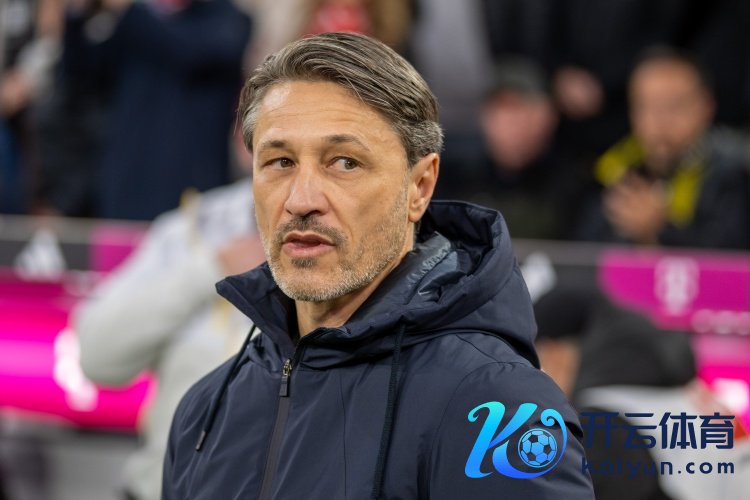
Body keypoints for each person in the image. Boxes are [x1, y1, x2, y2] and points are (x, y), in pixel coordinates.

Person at [162, 32, 594, 499]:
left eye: (345, 163)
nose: (301, 200)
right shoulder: (205, 408)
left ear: (420, 186)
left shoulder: (498, 409)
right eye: (281, 162)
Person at [74, 174, 265, 500]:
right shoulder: (191, 226)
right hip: (156, 489)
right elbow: (96, 358)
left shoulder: (343, 237)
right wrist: (212, 268)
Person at [574, 47, 750, 249]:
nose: (660, 121)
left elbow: (732, 257)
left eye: (674, 106)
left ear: (707, 107)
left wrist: (661, 229)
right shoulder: (610, 171)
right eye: (646, 106)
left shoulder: (732, 176)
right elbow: (581, 256)